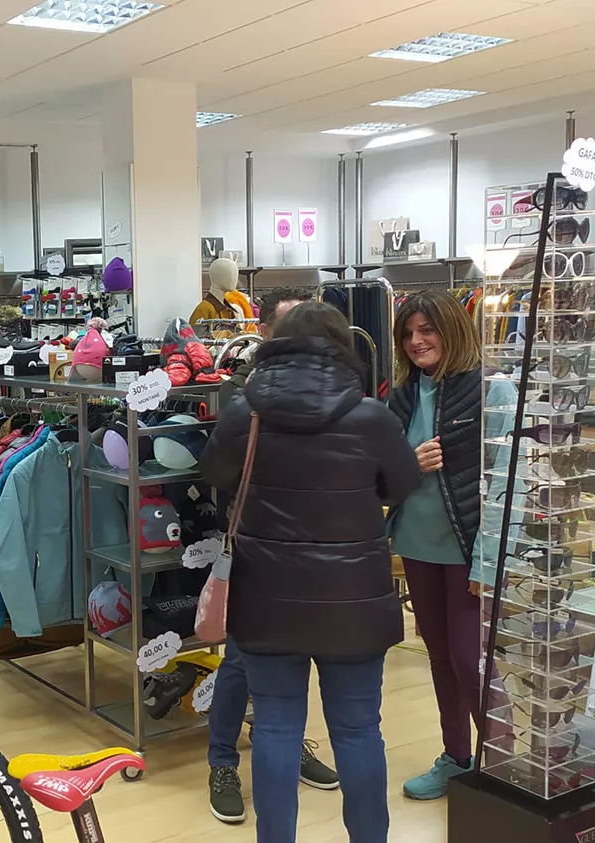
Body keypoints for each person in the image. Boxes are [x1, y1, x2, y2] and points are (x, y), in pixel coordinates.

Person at [201, 301, 421, 843]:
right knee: (359, 731)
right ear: (341, 348)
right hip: (353, 600)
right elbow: (401, 485)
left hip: (266, 597)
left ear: (275, 346)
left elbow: (215, 475)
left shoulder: (244, 412)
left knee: (275, 729)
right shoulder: (371, 416)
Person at [207, 288, 340, 825]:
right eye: (290, 327)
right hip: (259, 546)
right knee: (240, 659)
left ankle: (283, 742)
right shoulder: (242, 390)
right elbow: (220, 470)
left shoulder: (330, 390)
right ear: (264, 333)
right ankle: (222, 762)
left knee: (292, 660)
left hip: (312, 551)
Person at [386, 290, 514, 801]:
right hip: (416, 546)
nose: (416, 342)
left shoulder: (492, 390)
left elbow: (509, 482)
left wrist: (489, 559)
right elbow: (380, 475)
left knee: (469, 659)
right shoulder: (399, 394)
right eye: (408, 334)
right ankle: (457, 757)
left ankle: (503, 767)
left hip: (467, 551)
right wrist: (406, 465)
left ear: (452, 330)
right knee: (440, 656)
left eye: (426, 330)